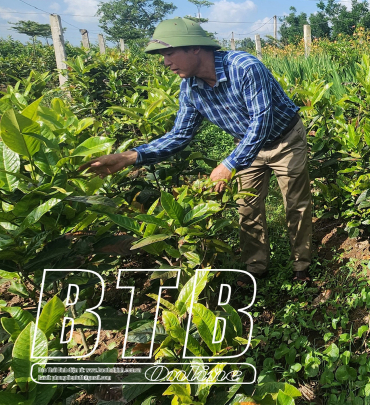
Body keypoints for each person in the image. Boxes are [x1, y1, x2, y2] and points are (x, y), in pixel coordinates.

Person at [80, 17, 313, 284]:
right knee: (246, 207)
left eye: (169, 53)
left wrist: (229, 164)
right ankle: (255, 266)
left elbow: (262, 121)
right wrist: (130, 156)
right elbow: (180, 135)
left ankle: (301, 265)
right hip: (247, 146)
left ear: (195, 48)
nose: (165, 62)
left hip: (285, 139)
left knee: (295, 204)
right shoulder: (190, 88)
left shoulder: (245, 67)